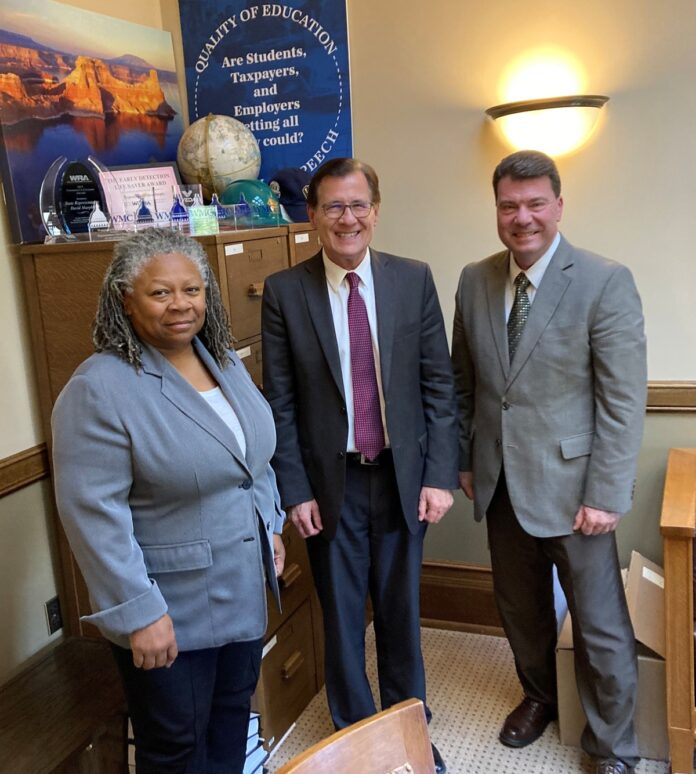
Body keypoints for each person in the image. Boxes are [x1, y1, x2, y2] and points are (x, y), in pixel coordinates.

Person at [51, 228, 286, 774]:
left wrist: (270, 524)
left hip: (240, 589)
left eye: (192, 290)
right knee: (176, 748)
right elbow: (93, 513)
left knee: (230, 725)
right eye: (160, 293)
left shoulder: (222, 360)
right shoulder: (100, 388)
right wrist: (139, 611)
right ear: (125, 299)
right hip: (169, 611)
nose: (181, 304)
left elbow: (253, 459)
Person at [451, 150, 647, 774]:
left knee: (599, 625)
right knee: (520, 608)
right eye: (509, 205)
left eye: (536, 204)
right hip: (500, 482)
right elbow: (464, 383)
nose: (522, 217)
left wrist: (608, 493)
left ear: (559, 206)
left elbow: (621, 399)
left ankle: (613, 744)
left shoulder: (603, 279)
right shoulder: (474, 279)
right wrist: (464, 458)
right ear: (497, 210)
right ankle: (539, 697)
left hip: (576, 490)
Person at [262, 157, 458, 773]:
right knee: (343, 616)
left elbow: (438, 386)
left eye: (358, 205)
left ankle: (407, 731)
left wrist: (438, 474)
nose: (347, 219)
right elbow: (281, 402)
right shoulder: (285, 292)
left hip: (402, 477)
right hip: (331, 484)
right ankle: (358, 738)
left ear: (375, 210)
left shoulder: (412, 279)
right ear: (313, 216)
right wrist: (294, 490)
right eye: (333, 208)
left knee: (400, 613)